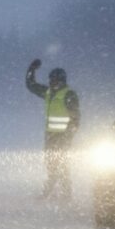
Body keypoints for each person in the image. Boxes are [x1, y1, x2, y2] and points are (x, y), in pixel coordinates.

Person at [25, 59, 80, 201]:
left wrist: (67, 137)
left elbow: (75, 119)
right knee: (51, 165)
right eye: (50, 80)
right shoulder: (48, 93)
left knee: (62, 166)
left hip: (63, 137)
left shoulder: (68, 95)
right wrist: (31, 70)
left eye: (54, 80)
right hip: (50, 136)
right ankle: (51, 191)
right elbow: (31, 86)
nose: (51, 83)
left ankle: (65, 195)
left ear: (61, 81)